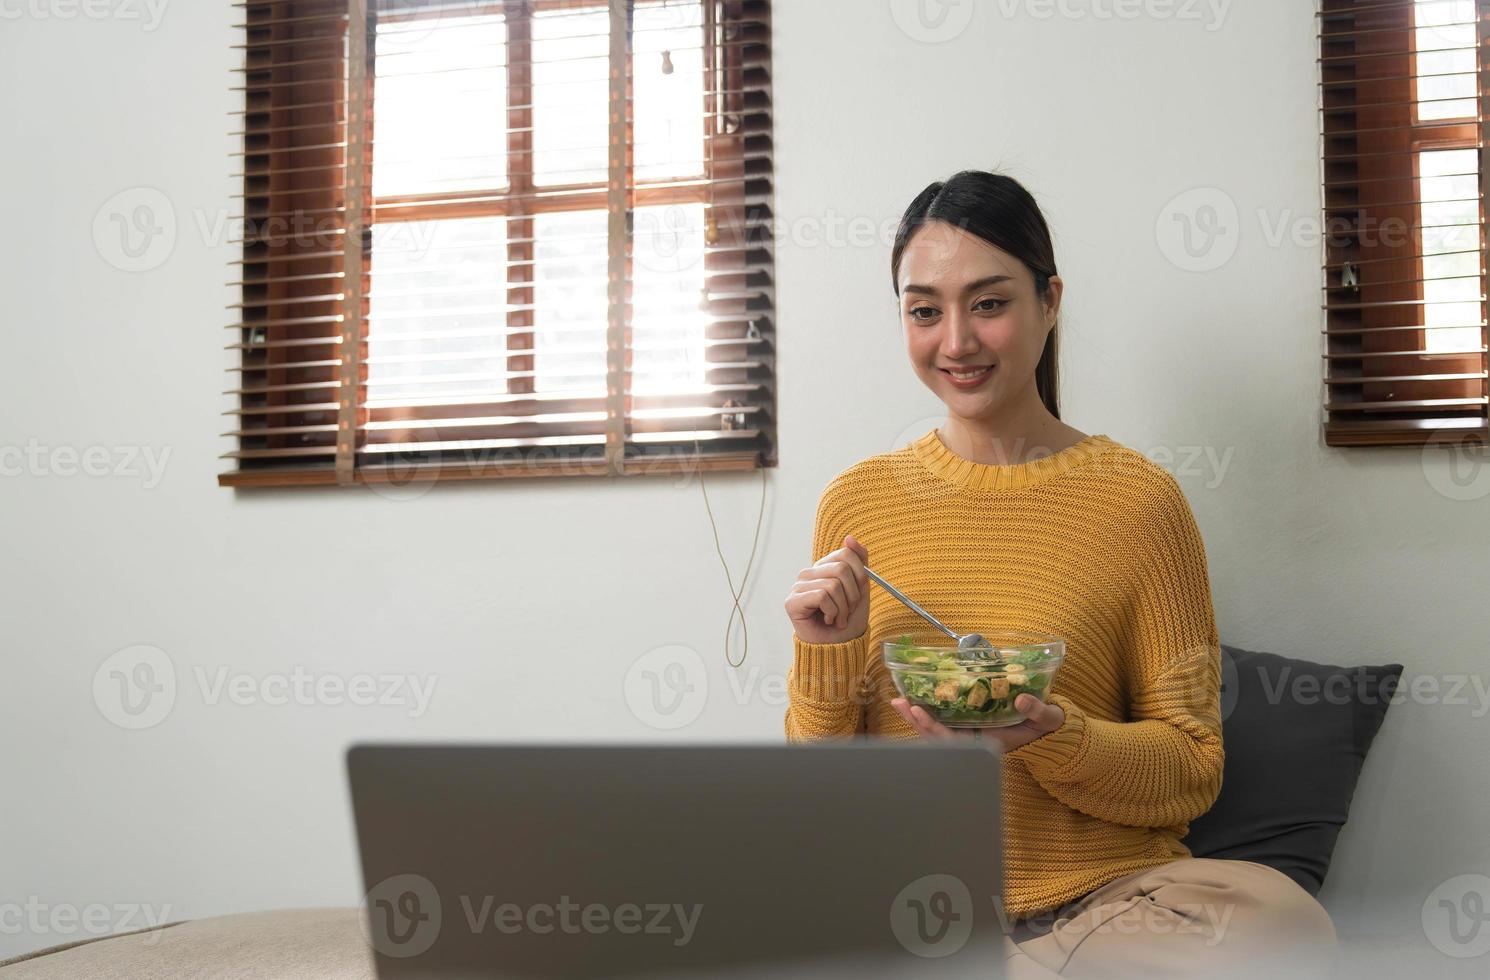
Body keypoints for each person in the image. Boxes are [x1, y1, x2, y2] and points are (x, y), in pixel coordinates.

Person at [781, 170, 1337, 979]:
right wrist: (826, 650)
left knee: (1284, 922)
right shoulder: (857, 502)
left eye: (991, 302)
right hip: (920, 902)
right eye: (925, 310)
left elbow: (1191, 773)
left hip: (1113, 904)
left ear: (1050, 301)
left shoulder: (1140, 500)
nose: (957, 342)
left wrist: (1049, 736)